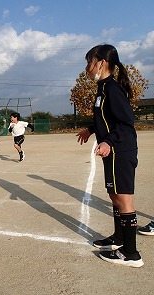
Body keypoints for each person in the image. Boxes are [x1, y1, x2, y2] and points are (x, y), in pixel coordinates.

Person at [76, 44, 143, 267]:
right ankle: (119, 238)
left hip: (120, 150)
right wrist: (91, 129)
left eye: (89, 62)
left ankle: (131, 254)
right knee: (115, 196)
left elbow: (125, 124)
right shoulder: (102, 89)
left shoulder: (113, 90)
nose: (87, 67)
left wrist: (107, 142)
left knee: (124, 199)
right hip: (113, 150)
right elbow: (105, 119)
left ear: (101, 63)